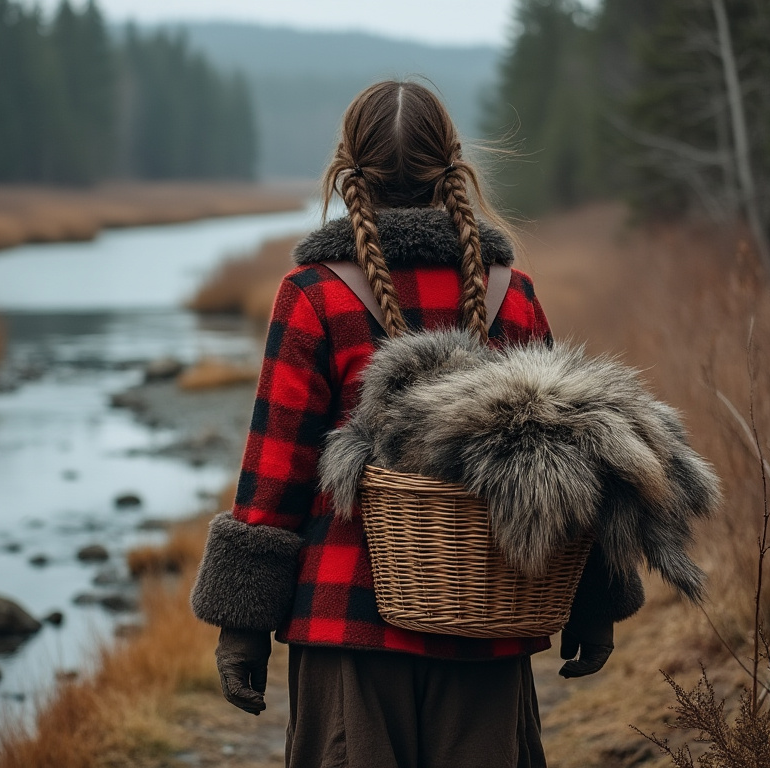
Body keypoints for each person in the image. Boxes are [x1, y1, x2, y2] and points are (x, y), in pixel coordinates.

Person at [190, 80, 644, 768]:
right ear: (453, 168)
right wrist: (595, 602)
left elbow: (274, 470)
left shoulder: (312, 295)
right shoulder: (511, 294)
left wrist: (242, 629)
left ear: (349, 171)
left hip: (346, 633)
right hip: (489, 623)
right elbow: (569, 462)